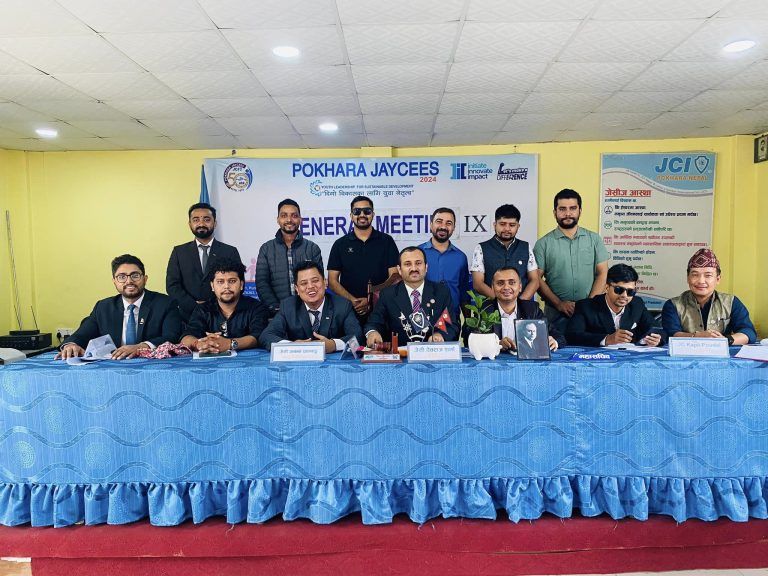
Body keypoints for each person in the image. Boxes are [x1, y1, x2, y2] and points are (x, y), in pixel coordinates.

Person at [56, 254, 181, 360]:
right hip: (113, 366)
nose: (129, 281)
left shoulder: (165, 303)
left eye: (135, 275)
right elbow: (83, 333)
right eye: (122, 277)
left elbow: (172, 336)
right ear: (114, 281)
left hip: (151, 365)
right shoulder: (103, 307)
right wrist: (71, 345)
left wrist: (140, 347)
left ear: (145, 279)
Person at [534, 189, 609, 332]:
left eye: (572, 208)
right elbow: (536, 278)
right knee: (555, 345)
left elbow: (602, 273)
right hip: (555, 313)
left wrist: (588, 304)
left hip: (591, 312)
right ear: (555, 212)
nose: (568, 213)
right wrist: (559, 304)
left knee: (590, 345)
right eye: (562, 209)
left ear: (580, 211)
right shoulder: (543, 244)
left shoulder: (594, 240)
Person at [260, 261, 363, 352]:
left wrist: (334, 345)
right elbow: (266, 336)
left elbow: (358, 337)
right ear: (297, 289)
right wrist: (292, 346)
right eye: (304, 283)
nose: (310, 286)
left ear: (325, 282)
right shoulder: (288, 306)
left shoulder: (342, 305)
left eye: (315, 281)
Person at [365, 246, 459, 346]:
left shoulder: (441, 292)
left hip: (432, 352)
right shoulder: (388, 294)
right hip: (400, 353)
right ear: (399, 269)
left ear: (426, 267)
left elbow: (451, 324)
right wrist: (372, 332)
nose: (414, 268)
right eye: (408, 264)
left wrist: (440, 335)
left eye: (418, 263)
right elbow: (374, 322)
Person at [661, 248, 756, 345]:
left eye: (708, 275)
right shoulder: (673, 305)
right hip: (684, 353)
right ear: (688, 278)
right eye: (695, 275)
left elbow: (748, 332)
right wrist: (696, 336)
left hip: (721, 352)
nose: (701, 281)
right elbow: (671, 334)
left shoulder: (731, 302)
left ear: (718, 279)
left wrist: (725, 340)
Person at [328, 196, 399, 324]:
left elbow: (394, 277)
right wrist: (354, 301)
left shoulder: (386, 241)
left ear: (373, 214)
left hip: (381, 309)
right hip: (348, 310)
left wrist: (372, 299)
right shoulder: (340, 244)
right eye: (357, 211)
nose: (362, 215)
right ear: (351, 215)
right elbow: (332, 281)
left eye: (367, 211)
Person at [166, 202, 242, 322]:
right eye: (196, 220)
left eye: (207, 219)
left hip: (221, 315)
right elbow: (172, 285)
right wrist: (194, 306)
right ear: (190, 224)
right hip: (187, 316)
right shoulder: (179, 252)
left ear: (215, 223)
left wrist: (214, 306)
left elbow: (238, 283)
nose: (201, 224)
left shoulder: (229, 251)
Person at [463, 267, 562, 352]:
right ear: (492, 288)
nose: (506, 287)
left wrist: (554, 341)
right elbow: (469, 339)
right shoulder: (484, 310)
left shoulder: (532, 309)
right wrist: (496, 344)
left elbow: (558, 336)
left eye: (512, 283)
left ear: (520, 287)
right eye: (500, 283)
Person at [180, 258, 269, 353]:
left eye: (232, 281)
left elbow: (257, 337)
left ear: (241, 285)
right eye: (220, 282)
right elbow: (186, 337)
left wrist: (230, 344)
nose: (226, 286)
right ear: (212, 286)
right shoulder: (203, 309)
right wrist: (199, 344)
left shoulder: (256, 307)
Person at [565, 263, 664, 347]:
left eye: (630, 292)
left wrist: (657, 339)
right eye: (618, 290)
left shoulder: (637, 304)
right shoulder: (586, 306)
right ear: (607, 288)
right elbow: (571, 336)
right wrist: (607, 339)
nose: (624, 295)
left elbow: (657, 329)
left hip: (629, 358)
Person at [256, 198, 323, 317]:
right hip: (276, 314)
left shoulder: (312, 248)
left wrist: (308, 308)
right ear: (278, 220)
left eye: (294, 216)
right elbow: (262, 283)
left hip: (308, 313)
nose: (289, 220)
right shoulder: (266, 249)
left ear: (300, 219)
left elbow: (318, 282)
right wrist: (276, 309)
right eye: (284, 216)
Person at [470, 204, 539, 300]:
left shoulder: (525, 247)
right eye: (502, 224)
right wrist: (501, 303)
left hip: (522, 306)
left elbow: (534, 280)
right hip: (491, 307)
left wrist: (520, 304)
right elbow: (478, 284)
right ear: (495, 225)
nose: (507, 229)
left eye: (512, 225)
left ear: (518, 226)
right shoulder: (481, 248)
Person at [418, 207, 471, 324]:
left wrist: (468, 323)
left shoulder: (460, 257)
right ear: (431, 224)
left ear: (453, 228)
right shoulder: (417, 253)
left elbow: (464, 293)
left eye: (449, 223)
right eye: (439, 221)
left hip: (451, 319)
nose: (443, 226)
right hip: (421, 318)